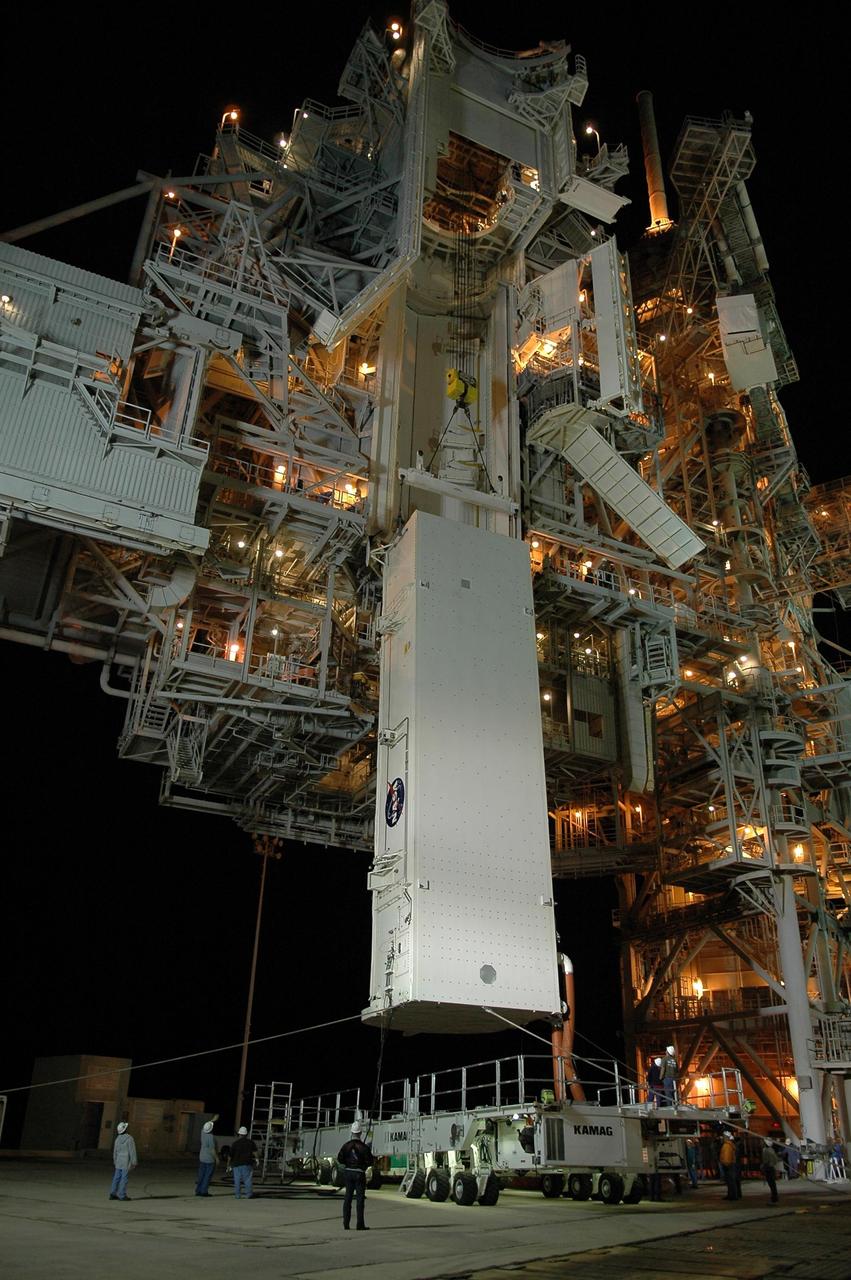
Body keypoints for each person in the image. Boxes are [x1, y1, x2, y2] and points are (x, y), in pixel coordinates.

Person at [337, 1120, 374, 1230]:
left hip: (348, 1172)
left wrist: (347, 1164)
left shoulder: (346, 1146)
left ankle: (346, 1223)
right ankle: (360, 1224)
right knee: (360, 1200)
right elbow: (370, 1161)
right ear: (360, 1133)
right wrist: (363, 1167)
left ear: (352, 1132)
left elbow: (340, 1158)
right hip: (359, 1174)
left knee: (347, 1198)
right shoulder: (364, 1147)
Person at [109, 1121, 137, 1201]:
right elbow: (132, 1151)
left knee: (116, 1178)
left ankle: (112, 1193)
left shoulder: (117, 1139)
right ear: (125, 1129)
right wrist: (134, 1162)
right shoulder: (129, 1139)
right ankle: (122, 1195)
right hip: (126, 1161)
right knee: (124, 1178)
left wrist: (115, 1160)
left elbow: (115, 1151)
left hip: (118, 1161)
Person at [230, 1126, 258, 1200]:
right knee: (247, 1179)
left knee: (237, 1180)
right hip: (247, 1164)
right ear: (246, 1134)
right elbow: (255, 1152)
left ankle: (237, 1195)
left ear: (239, 1134)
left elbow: (230, 1155)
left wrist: (229, 1165)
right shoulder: (251, 1142)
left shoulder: (235, 1143)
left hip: (236, 1164)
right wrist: (257, 1159)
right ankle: (248, 1194)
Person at [195, 1120, 218, 1197]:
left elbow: (206, 1126)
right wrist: (217, 1158)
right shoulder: (210, 1137)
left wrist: (213, 1119)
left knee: (201, 1175)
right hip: (209, 1159)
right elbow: (212, 1150)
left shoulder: (203, 1132)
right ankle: (204, 1191)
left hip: (202, 1157)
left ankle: (198, 1190)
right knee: (207, 1176)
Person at [718, 1131, 740, 1200]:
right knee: (731, 1181)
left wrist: (725, 1163)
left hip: (728, 1165)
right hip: (730, 1164)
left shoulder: (727, 1145)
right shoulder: (729, 1144)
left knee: (730, 1181)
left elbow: (726, 1156)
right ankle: (732, 1195)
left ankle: (732, 1196)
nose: (723, 1138)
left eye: (724, 1136)